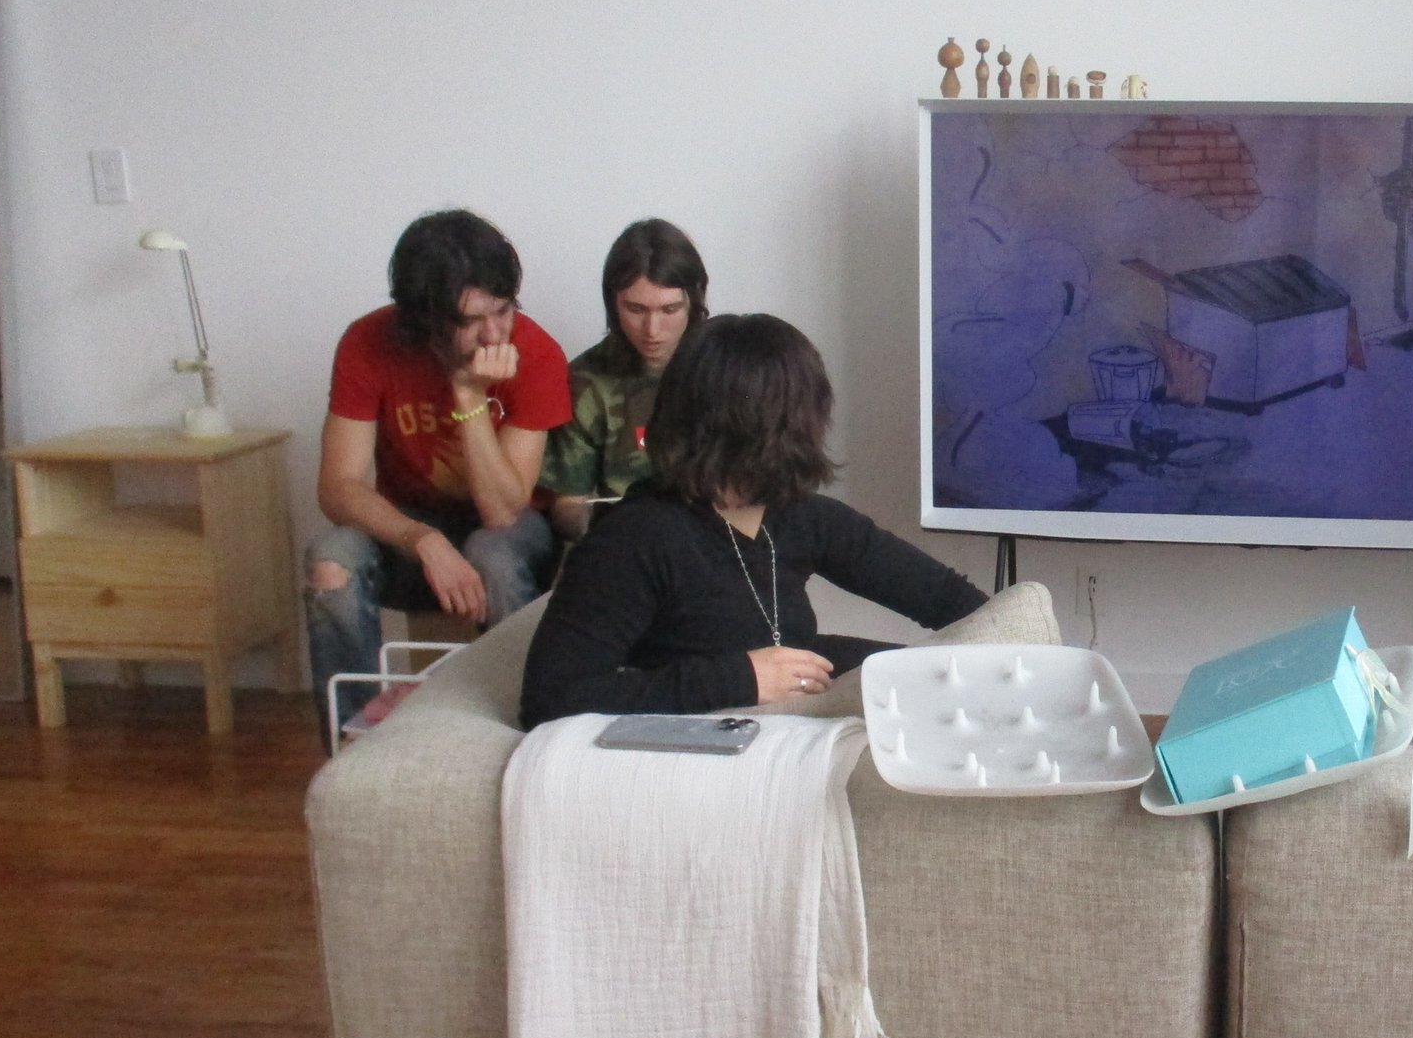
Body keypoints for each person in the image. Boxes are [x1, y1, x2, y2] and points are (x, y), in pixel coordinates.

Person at [521, 313, 987, 725]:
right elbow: (550, 697)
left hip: (794, 722)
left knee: (930, 681)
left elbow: (951, 599)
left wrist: (991, 663)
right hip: (710, 752)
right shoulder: (635, 539)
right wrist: (740, 678)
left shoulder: (798, 514)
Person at [306, 209, 571, 712]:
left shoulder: (536, 353)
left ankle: (522, 723)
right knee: (331, 561)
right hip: (410, 526)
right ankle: (357, 739)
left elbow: (503, 512)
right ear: (423, 322)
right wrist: (423, 540)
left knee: (493, 552)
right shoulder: (367, 343)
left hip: (512, 533)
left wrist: (469, 394)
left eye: (503, 310)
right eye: (470, 321)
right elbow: (337, 488)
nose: (494, 335)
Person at [540, 217, 707, 540]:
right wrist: (590, 524)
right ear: (612, 305)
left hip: (711, 540)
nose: (652, 330)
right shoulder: (586, 381)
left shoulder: (726, 368)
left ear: (693, 302)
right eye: (636, 309)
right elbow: (568, 504)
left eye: (669, 310)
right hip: (622, 540)